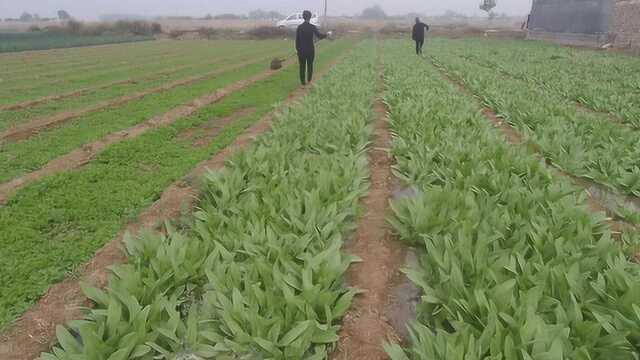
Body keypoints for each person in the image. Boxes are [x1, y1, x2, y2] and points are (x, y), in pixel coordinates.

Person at [296, 10, 327, 85]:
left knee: (302, 66)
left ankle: (303, 82)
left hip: (301, 50)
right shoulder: (312, 27)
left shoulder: (299, 27)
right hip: (310, 50)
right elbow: (320, 36)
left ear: (303, 17)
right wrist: (327, 35)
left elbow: (297, 40)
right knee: (310, 65)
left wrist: (297, 49)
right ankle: (309, 80)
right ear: (310, 17)